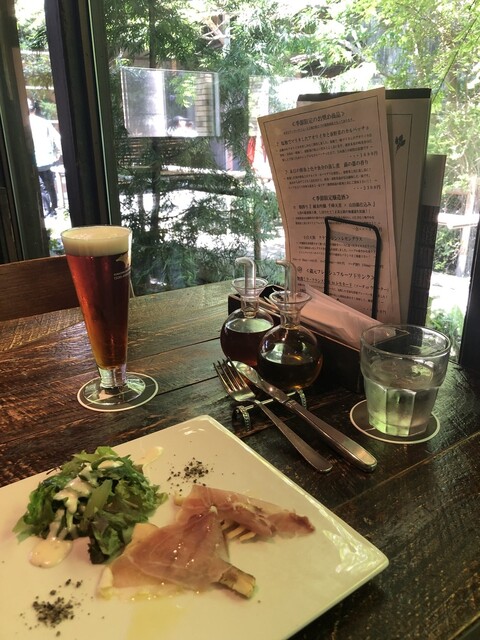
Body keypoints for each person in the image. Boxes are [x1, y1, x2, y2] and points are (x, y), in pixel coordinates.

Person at [28, 98, 62, 216]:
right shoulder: (44, 122)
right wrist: (59, 153)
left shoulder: (24, 124)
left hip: (35, 161)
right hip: (47, 160)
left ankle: (48, 210)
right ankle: (54, 208)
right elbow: (57, 137)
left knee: (42, 187)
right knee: (50, 184)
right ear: (35, 109)